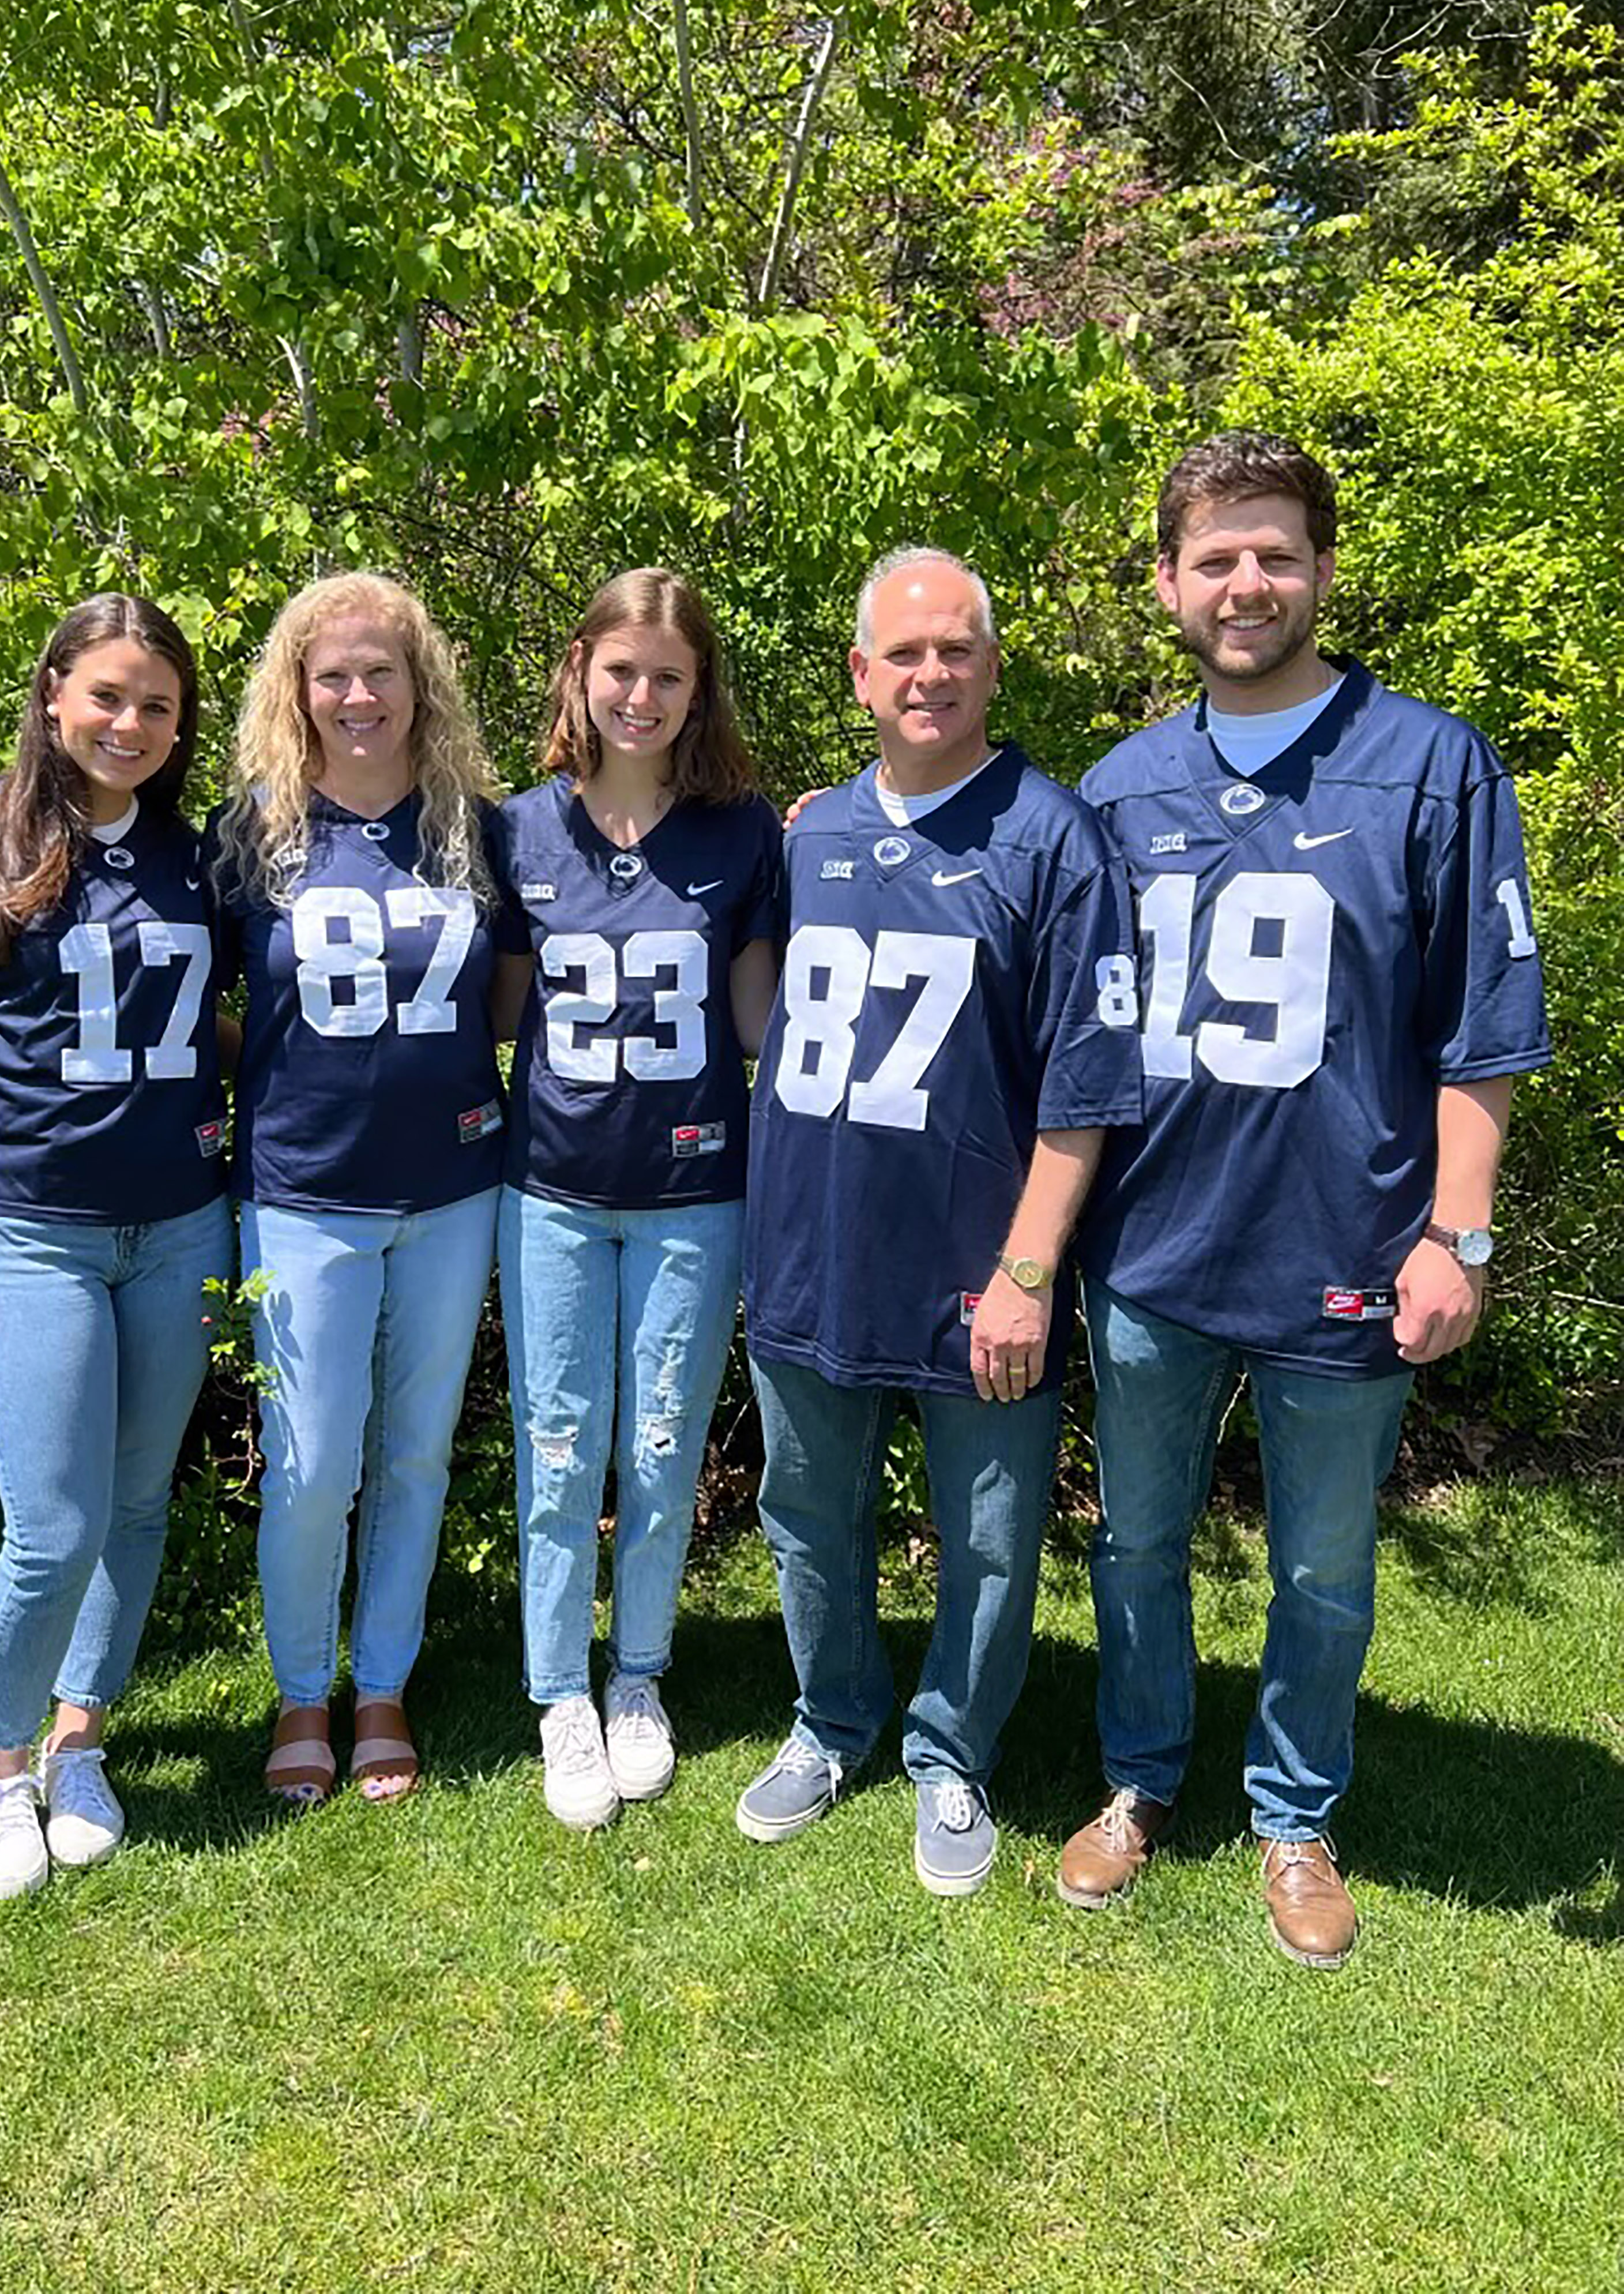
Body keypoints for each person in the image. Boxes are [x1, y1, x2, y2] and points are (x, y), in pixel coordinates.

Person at [1059, 430, 1551, 1965]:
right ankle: (1138, 1781)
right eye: (1215, 558)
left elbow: (1485, 1028)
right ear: (1166, 585)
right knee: (1136, 1542)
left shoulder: (1434, 762)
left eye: (1274, 552)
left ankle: (1291, 1813)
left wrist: (1456, 1233)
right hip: (1152, 1246)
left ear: (1324, 570)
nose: (1246, 581)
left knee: (1325, 1564)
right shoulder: (1122, 784)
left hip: (1348, 1239)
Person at [736, 547, 1144, 1895]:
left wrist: (1028, 1270)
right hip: (812, 1250)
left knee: (985, 1536)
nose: (930, 674)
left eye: (955, 649)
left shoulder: (1054, 837)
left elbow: (1083, 1091)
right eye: (902, 652)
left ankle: (950, 1749)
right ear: (860, 674)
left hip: (980, 1271)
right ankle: (829, 1718)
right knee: (807, 1510)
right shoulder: (813, 833)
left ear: (991, 666)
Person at [0, 594, 232, 1899]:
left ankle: (79, 1736)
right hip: (31, 1230)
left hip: (179, 1221)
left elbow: (216, 1029)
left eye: (155, 702)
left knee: (135, 1505)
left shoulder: (195, 858)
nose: (130, 722)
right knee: (54, 1522)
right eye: (107, 695)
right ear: (51, 695)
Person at [491, 568, 780, 1830]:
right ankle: (560, 1691)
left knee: (660, 1449)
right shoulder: (516, 832)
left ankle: (638, 1677)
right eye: (621, 671)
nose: (642, 696)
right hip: (551, 1188)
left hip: (691, 1193)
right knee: (560, 1450)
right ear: (579, 671)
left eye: (669, 675)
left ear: (697, 687)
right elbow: (490, 1018)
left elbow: (764, 1021)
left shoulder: (743, 831)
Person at [212, 575, 506, 1807]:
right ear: (297, 689)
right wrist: (291, 1079)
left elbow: (508, 999)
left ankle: (380, 1682)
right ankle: (298, 1690)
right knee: (312, 1457)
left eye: (380, 670)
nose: (358, 694)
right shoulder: (250, 834)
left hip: (450, 1189)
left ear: (418, 680)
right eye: (332, 674)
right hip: (302, 1192)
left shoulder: (476, 829)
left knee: (418, 1454)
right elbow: (199, 1004)